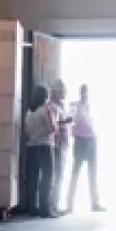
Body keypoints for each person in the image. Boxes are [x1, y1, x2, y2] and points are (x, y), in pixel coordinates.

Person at [65, 84, 106, 212]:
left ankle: (95, 203)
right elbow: (71, 119)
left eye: (86, 92)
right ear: (80, 92)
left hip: (91, 140)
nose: (85, 94)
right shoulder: (74, 106)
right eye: (83, 92)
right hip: (80, 140)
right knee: (75, 172)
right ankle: (69, 204)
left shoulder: (90, 107)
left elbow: (94, 122)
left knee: (92, 173)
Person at [24, 85, 57, 218]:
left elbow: (27, 130)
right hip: (45, 145)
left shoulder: (29, 112)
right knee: (47, 177)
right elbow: (52, 128)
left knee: (33, 178)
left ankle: (33, 208)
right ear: (45, 96)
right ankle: (45, 209)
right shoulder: (45, 110)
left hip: (31, 146)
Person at [49, 79, 73, 214]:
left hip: (63, 145)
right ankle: (52, 205)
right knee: (56, 176)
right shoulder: (52, 106)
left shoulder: (62, 106)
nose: (64, 92)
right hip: (56, 145)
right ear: (55, 92)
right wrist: (66, 121)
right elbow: (52, 124)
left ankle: (55, 204)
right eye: (62, 90)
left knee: (59, 176)